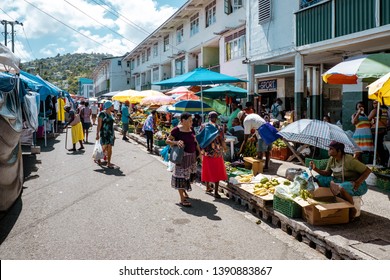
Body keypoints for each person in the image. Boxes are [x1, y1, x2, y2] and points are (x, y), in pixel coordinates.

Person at [309, 141, 371, 219]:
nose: (329, 150)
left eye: (331, 149)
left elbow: (368, 171)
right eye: (329, 148)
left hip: (357, 185)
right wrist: (315, 169)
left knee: (341, 187)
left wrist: (358, 182)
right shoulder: (331, 159)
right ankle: (329, 198)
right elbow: (327, 173)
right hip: (339, 181)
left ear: (339, 151)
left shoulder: (349, 160)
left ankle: (352, 209)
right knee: (318, 178)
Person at [166, 113, 201, 207]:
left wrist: (199, 153)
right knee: (180, 177)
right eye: (190, 120)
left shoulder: (191, 129)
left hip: (192, 157)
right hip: (182, 158)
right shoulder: (176, 130)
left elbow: (195, 141)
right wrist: (176, 142)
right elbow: (167, 141)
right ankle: (182, 199)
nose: (192, 122)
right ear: (183, 120)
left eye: (191, 120)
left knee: (188, 176)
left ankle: (184, 191)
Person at [200, 111, 228, 198]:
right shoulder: (219, 128)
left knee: (207, 169)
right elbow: (222, 140)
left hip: (206, 152)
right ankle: (216, 192)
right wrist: (225, 148)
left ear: (208, 117)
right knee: (217, 171)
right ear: (216, 118)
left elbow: (200, 138)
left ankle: (207, 187)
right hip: (216, 152)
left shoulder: (203, 126)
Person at [96, 101, 116, 168]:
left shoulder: (111, 114)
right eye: (112, 106)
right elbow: (99, 125)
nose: (113, 107)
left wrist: (114, 135)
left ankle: (108, 162)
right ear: (109, 106)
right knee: (103, 148)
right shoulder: (102, 114)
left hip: (111, 133)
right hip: (104, 133)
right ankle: (98, 158)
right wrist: (97, 134)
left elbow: (112, 125)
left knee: (110, 148)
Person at [368, 101, 389, 166]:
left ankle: (381, 161)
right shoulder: (386, 110)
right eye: (373, 103)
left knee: (377, 146)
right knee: (380, 146)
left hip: (377, 129)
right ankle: (384, 160)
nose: (374, 104)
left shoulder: (376, 110)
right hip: (383, 129)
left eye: (376, 103)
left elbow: (368, 118)